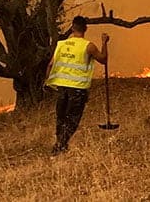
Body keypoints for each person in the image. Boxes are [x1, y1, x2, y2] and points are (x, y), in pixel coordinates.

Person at [45, 15, 109, 156]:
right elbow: (103, 59)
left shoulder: (61, 45)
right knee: (73, 118)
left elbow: (50, 65)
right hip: (78, 89)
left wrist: (48, 83)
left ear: (72, 28)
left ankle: (60, 143)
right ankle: (60, 145)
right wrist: (104, 42)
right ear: (85, 29)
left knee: (61, 117)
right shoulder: (88, 46)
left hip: (62, 88)